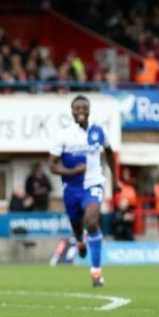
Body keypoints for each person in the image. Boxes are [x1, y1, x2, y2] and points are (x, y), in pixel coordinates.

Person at [48, 95, 119, 288]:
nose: (80, 111)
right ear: (72, 112)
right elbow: (52, 166)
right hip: (71, 188)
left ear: (89, 110)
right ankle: (80, 239)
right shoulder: (63, 135)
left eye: (84, 108)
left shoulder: (98, 131)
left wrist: (116, 180)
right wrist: (72, 171)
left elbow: (111, 154)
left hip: (93, 184)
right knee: (78, 226)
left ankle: (96, 273)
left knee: (92, 221)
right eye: (77, 108)